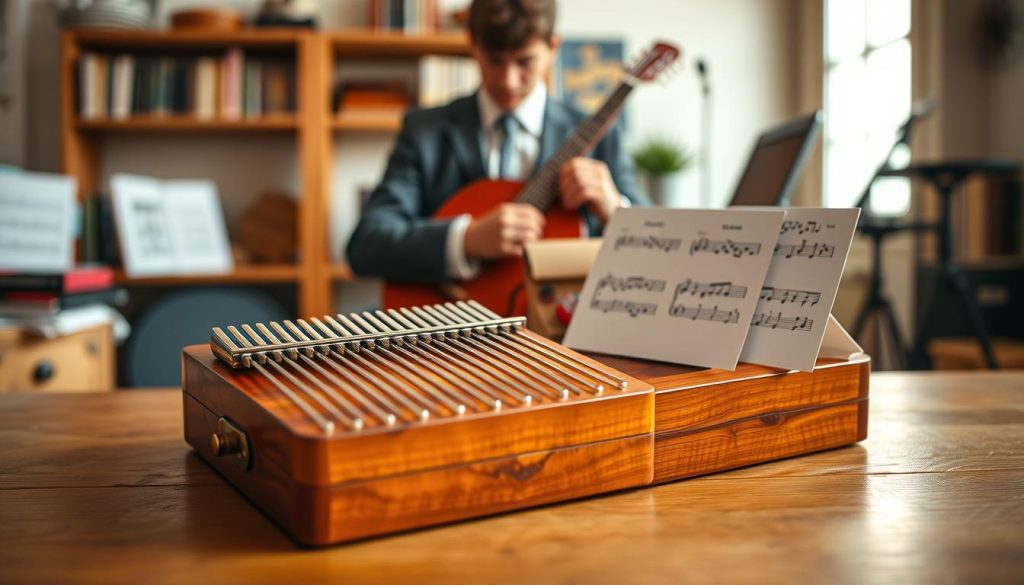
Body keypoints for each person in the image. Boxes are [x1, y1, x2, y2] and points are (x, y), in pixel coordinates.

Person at [347, 0, 640, 284]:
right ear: (473, 45)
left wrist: (614, 208)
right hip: (454, 326)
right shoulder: (424, 130)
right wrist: (466, 240)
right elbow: (365, 246)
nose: (508, 80)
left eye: (524, 61)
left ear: (552, 47)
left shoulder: (600, 133)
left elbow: (655, 252)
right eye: (495, 61)